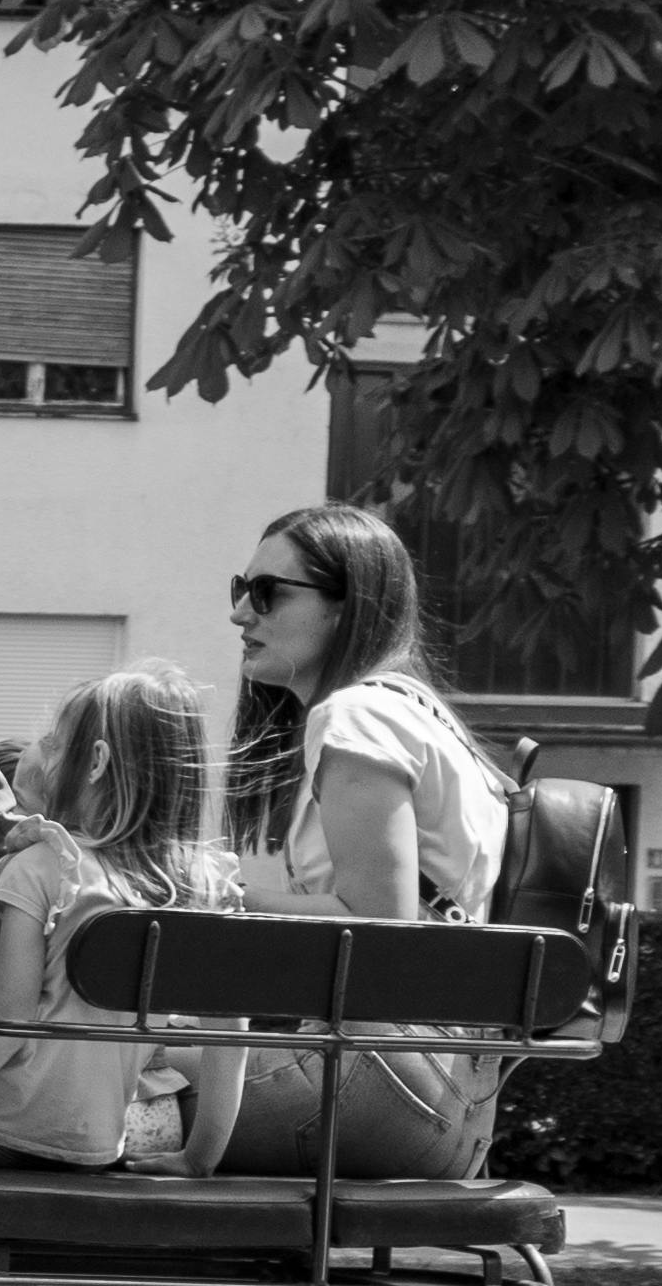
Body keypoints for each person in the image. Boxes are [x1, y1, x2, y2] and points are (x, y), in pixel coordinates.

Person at [211, 500, 517, 1180]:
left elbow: (378, 925)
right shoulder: (416, 710)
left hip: (379, 1079)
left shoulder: (356, 715)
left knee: (47, 1102)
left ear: (348, 606)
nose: (241, 614)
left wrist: (213, 897)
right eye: (240, 588)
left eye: (266, 594)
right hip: (436, 1091)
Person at [0, 663, 246, 1173]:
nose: (43, 754)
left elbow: (2, 1027)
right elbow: (230, 1037)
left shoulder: (43, 866)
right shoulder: (206, 887)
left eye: (55, 744)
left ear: (96, 762)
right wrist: (198, 1160)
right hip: (97, 1148)